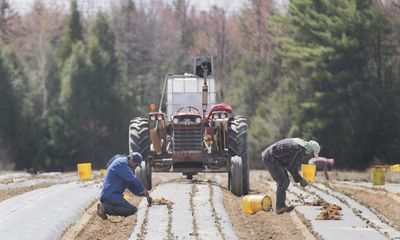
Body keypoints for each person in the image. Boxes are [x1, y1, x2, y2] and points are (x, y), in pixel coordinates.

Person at [261, 138, 320, 215]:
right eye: (311, 154)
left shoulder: (300, 145)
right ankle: (280, 207)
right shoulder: (298, 149)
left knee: (286, 180)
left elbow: (292, 165)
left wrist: (299, 179)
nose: (309, 156)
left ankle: (281, 205)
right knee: (283, 181)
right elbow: (291, 166)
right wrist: (300, 179)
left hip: (276, 159)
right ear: (309, 150)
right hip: (271, 158)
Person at [97, 152, 152, 220]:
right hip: (110, 195)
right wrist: (143, 189)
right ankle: (104, 208)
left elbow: (131, 186)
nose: (135, 167)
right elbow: (133, 179)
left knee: (133, 209)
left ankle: (106, 207)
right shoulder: (121, 163)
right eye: (136, 164)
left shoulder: (128, 167)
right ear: (131, 160)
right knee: (131, 210)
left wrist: (143, 194)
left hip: (115, 195)